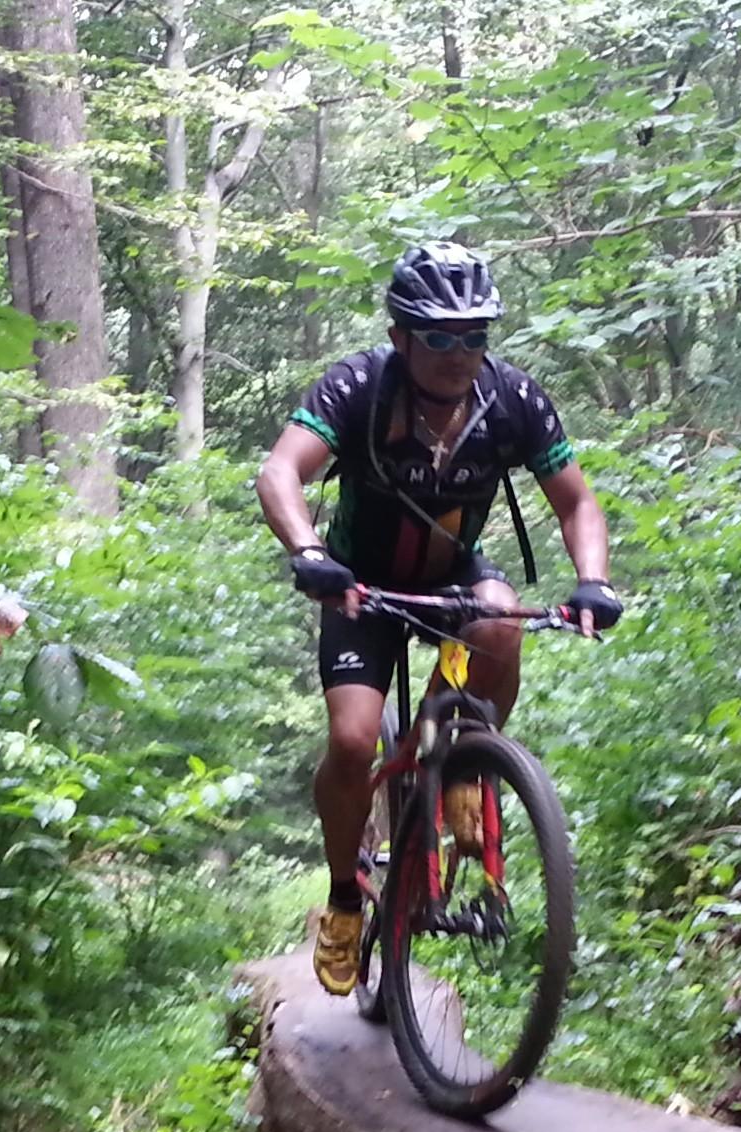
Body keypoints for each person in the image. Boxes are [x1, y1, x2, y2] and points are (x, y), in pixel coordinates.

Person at [256, 241, 622, 996]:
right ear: (401, 336)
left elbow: (577, 500)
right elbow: (280, 471)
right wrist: (309, 550)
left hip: (453, 578)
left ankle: (450, 758)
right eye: (439, 337)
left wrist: (593, 581)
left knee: (500, 619)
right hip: (360, 587)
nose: (460, 355)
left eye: (475, 336)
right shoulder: (359, 386)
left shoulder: (512, 399)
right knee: (354, 740)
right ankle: (345, 896)